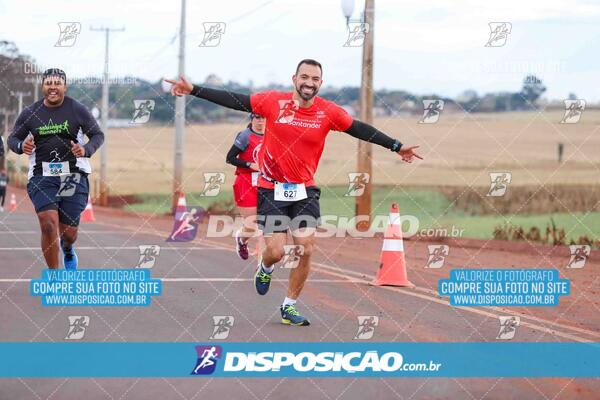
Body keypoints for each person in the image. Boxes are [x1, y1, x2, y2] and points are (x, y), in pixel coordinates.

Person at [165, 59, 422, 326]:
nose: (309, 83)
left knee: (306, 247)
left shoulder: (328, 112)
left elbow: (359, 128)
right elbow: (235, 100)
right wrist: (193, 89)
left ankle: (289, 306)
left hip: (304, 190)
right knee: (276, 252)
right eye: (304, 77)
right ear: (294, 79)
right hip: (271, 188)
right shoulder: (272, 102)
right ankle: (265, 267)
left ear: (320, 83)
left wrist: (396, 145)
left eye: (315, 79)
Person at [7, 68, 104, 270]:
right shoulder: (30, 113)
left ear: (64, 87)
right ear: (43, 86)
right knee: (48, 223)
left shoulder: (77, 110)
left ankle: (67, 249)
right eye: (48, 83)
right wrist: (20, 146)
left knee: (69, 234)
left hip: (72, 176)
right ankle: (54, 276)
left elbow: (97, 135)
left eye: (57, 83)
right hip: (42, 176)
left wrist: (86, 149)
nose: (53, 87)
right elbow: (12, 138)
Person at [225, 113, 265, 259]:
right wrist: (249, 164)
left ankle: (262, 266)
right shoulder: (245, 136)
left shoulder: (272, 135)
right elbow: (229, 158)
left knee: (268, 225)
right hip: (246, 182)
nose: (260, 120)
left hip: (266, 182)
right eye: (257, 117)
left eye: (263, 117)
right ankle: (241, 240)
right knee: (251, 225)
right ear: (252, 119)